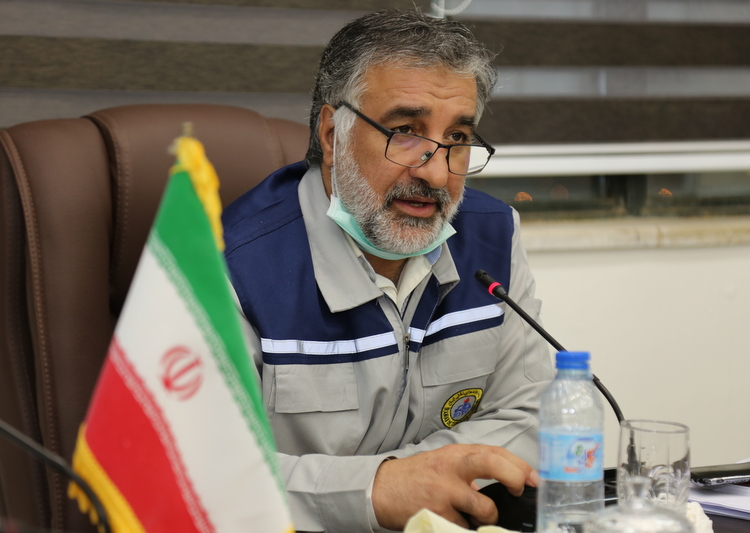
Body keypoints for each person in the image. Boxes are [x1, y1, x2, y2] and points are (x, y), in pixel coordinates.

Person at [222, 9, 555, 532]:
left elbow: (532, 415)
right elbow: (195, 474)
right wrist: (376, 490)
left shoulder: (494, 237)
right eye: (404, 132)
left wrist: (418, 479)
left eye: (458, 137)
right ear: (332, 135)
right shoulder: (232, 267)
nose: (437, 172)